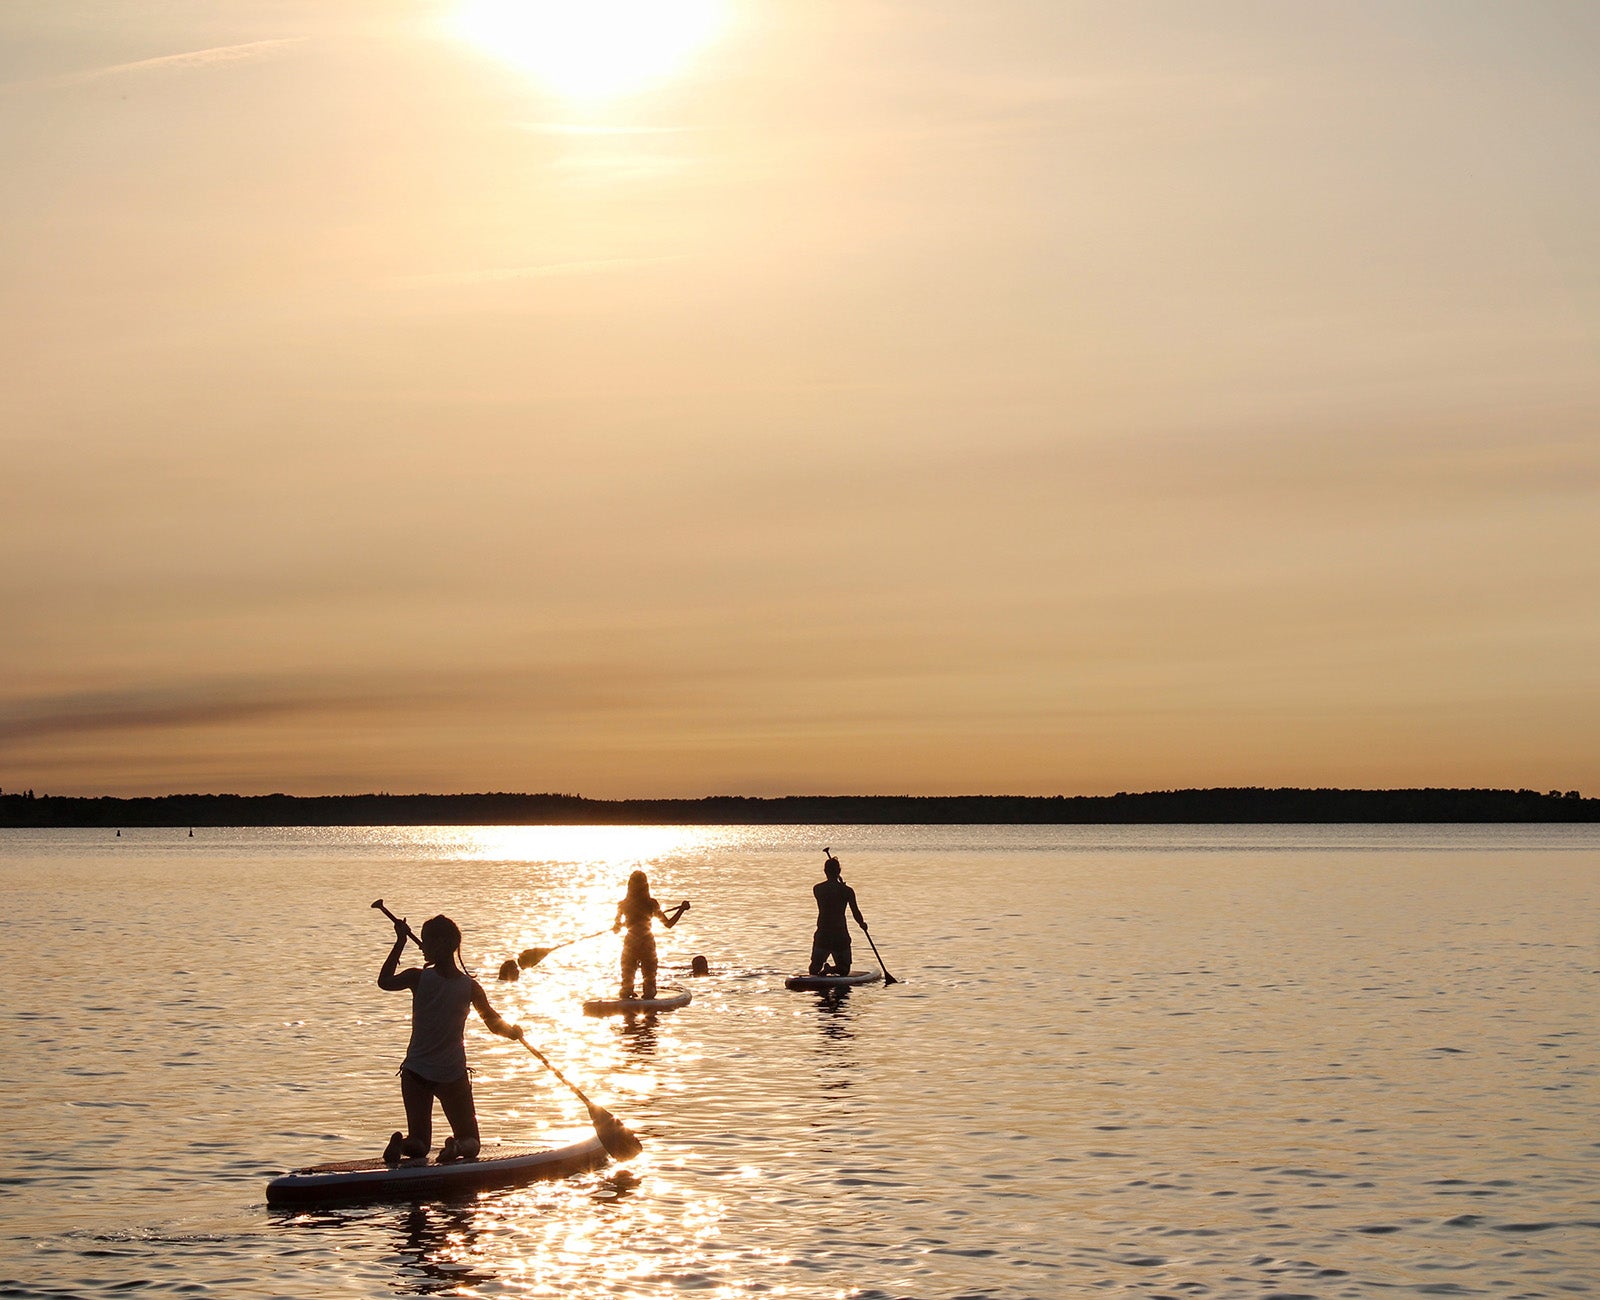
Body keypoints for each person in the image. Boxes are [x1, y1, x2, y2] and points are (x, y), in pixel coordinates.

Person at [378, 913, 523, 1165]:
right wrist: (513, 1033)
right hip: (452, 1076)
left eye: (428, 942)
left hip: (415, 1073)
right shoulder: (470, 987)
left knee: (420, 1146)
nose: (422, 947)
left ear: (447, 945)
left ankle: (402, 1144)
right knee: (472, 1143)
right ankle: (456, 1145)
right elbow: (492, 1022)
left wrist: (400, 941)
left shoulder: (417, 977)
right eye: (421, 941)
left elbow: (385, 982)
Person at [612, 870, 689, 1000]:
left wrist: (621, 924)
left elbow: (616, 929)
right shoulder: (652, 904)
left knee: (626, 985)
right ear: (646, 886)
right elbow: (668, 924)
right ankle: (647, 994)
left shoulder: (623, 905)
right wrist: (681, 910)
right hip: (647, 944)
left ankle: (627, 992)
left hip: (630, 944)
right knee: (650, 988)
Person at [810, 848, 869, 976]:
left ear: (825, 871)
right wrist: (862, 924)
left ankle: (826, 971)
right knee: (844, 970)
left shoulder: (817, 889)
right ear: (839, 871)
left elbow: (831, 894)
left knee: (814, 968)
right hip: (840, 934)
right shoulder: (847, 891)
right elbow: (855, 912)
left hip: (823, 932)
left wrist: (839, 884)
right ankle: (831, 970)